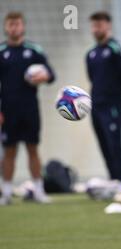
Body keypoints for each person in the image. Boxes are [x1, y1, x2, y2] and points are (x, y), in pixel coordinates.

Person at [0, 12, 55, 205]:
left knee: (33, 149)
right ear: (6, 27)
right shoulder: (2, 51)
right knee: (9, 151)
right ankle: (6, 193)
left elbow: (51, 74)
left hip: (30, 109)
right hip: (7, 111)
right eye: (11, 24)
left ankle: (39, 190)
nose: (14, 27)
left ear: (23, 26)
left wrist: (43, 76)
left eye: (17, 24)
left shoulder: (34, 51)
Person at [86, 12, 121, 203]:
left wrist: (115, 96)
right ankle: (113, 181)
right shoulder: (90, 54)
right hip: (95, 105)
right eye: (94, 25)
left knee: (114, 143)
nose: (97, 28)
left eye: (100, 24)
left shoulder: (117, 49)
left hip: (112, 104)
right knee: (104, 144)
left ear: (108, 25)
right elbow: (92, 78)